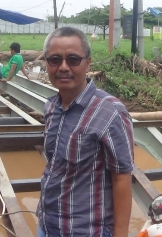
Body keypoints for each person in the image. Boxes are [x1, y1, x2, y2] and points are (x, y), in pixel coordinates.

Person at [37, 27, 134, 237]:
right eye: (55, 60)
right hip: (46, 225)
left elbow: (122, 179)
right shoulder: (51, 107)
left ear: (88, 63)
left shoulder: (110, 112)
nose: (63, 67)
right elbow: (55, 165)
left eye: (73, 59)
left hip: (87, 231)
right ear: (46, 63)